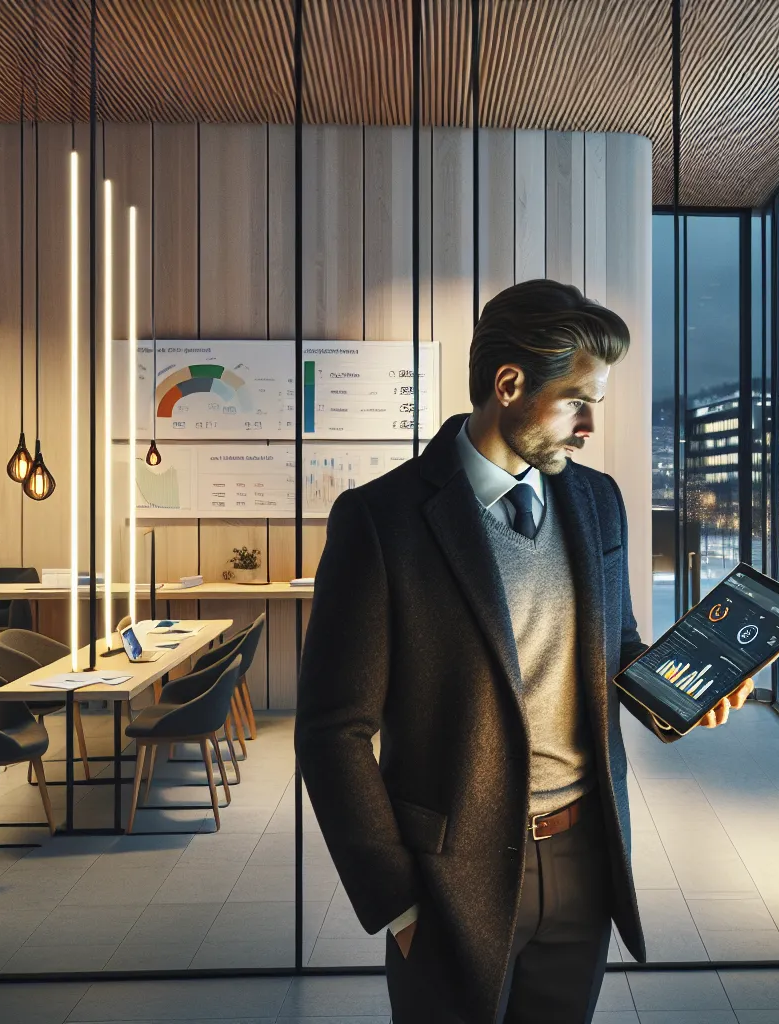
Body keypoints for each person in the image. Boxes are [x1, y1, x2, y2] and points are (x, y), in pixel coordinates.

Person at [297, 279, 754, 1024]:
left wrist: (686, 692)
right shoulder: (382, 522)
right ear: (509, 385)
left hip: (584, 862)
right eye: (578, 402)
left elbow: (618, 650)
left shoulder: (598, 500)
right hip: (451, 877)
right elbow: (332, 732)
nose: (587, 428)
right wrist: (397, 901)